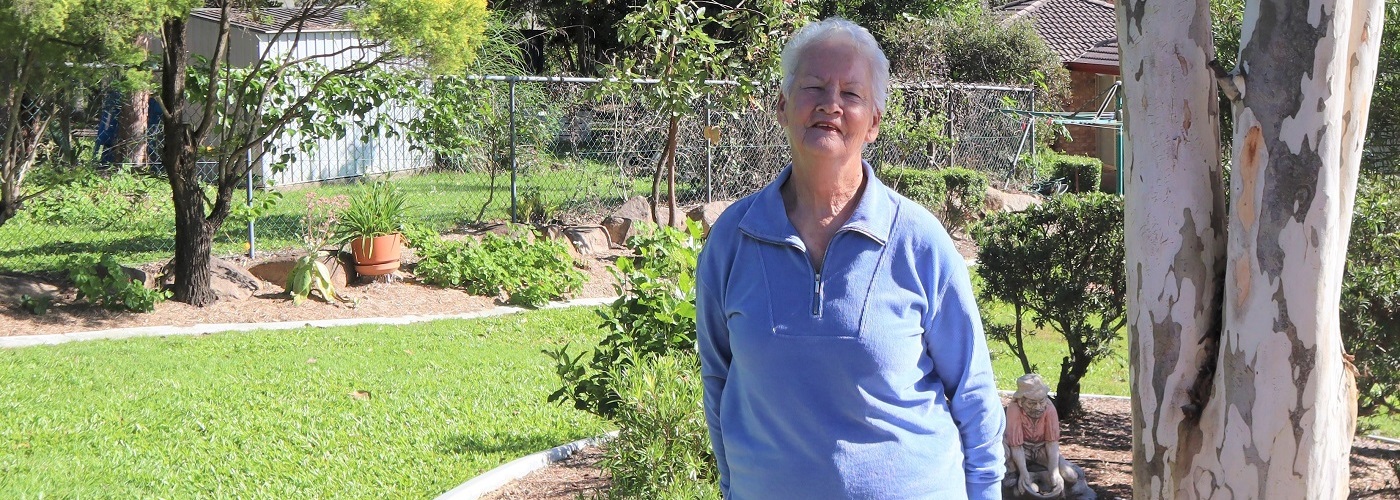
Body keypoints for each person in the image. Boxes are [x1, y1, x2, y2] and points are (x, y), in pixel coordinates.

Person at [695, 17, 1005, 499]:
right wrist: (735, 485)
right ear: (781, 105)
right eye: (813, 86)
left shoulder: (919, 241)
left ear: (875, 122)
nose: (830, 104)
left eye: (852, 94)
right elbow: (718, 377)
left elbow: (973, 390)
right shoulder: (733, 239)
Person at [1003, 374, 1079, 499]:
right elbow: (1016, 446)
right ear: (1021, 401)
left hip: (1042, 449)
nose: (1038, 407)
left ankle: (1040, 477)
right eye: (1032, 403)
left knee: (1070, 476)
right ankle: (1025, 475)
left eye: (1041, 401)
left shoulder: (1049, 408)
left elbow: (1052, 443)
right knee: (1013, 477)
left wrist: (1054, 471)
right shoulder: (1014, 409)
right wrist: (1023, 473)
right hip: (1020, 450)